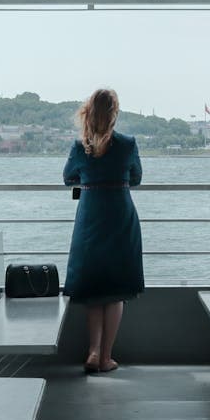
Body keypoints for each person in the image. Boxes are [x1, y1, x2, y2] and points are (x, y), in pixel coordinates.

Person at [63, 88, 144, 373]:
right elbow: (136, 177)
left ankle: (93, 351)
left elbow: (67, 178)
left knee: (94, 289)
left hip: (90, 216)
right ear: (114, 114)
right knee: (116, 289)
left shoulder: (79, 147)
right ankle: (107, 356)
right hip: (120, 215)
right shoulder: (128, 144)